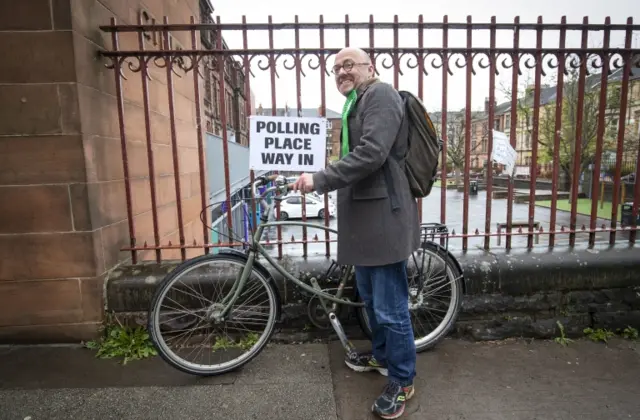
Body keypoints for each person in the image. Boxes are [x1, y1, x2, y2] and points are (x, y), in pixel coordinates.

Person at [292, 47, 420, 419]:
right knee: (370, 298)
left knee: (391, 306)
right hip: (366, 218)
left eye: (349, 64)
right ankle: (382, 358)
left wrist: (319, 179)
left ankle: (403, 379)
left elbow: (372, 153)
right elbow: (356, 156)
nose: (341, 72)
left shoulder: (380, 94)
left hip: (382, 218)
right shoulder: (355, 103)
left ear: (370, 67)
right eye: (336, 68)